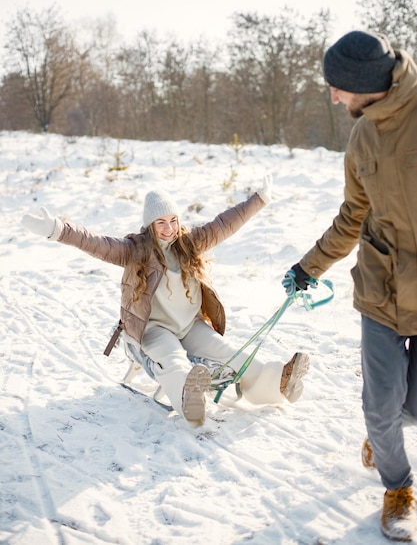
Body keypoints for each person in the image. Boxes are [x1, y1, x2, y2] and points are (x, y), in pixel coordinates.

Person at [22, 178, 309, 428]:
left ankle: (276, 385)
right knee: (172, 360)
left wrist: (259, 199)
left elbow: (224, 224)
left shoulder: (190, 243)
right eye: (161, 223)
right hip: (155, 328)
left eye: (173, 221)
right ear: (150, 225)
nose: (169, 229)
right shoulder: (133, 251)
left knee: (231, 353)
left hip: (190, 325)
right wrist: (55, 229)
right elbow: (94, 242)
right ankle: (189, 398)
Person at [283, 30, 417, 542]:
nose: (334, 97)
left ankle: (382, 437)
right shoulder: (361, 137)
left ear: (365, 84)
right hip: (381, 292)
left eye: (337, 88)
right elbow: (352, 215)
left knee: (407, 408)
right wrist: (308, 267)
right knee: (381, 405)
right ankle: (398, 486)